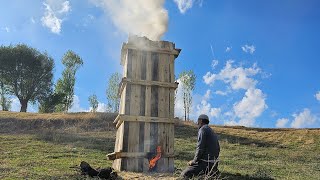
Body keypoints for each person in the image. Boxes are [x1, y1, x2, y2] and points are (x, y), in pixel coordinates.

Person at [181, 114, 220, 179]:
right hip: (214, 164)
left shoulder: (203, 129)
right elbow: (218, 148)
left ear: (201, 121)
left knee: (184, 174)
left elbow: (200, 148)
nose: (197, 123)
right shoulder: (211, 131)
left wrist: (194, 161)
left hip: (205, 163)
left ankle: (204, 173)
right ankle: (212, 172)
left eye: (198, 121)